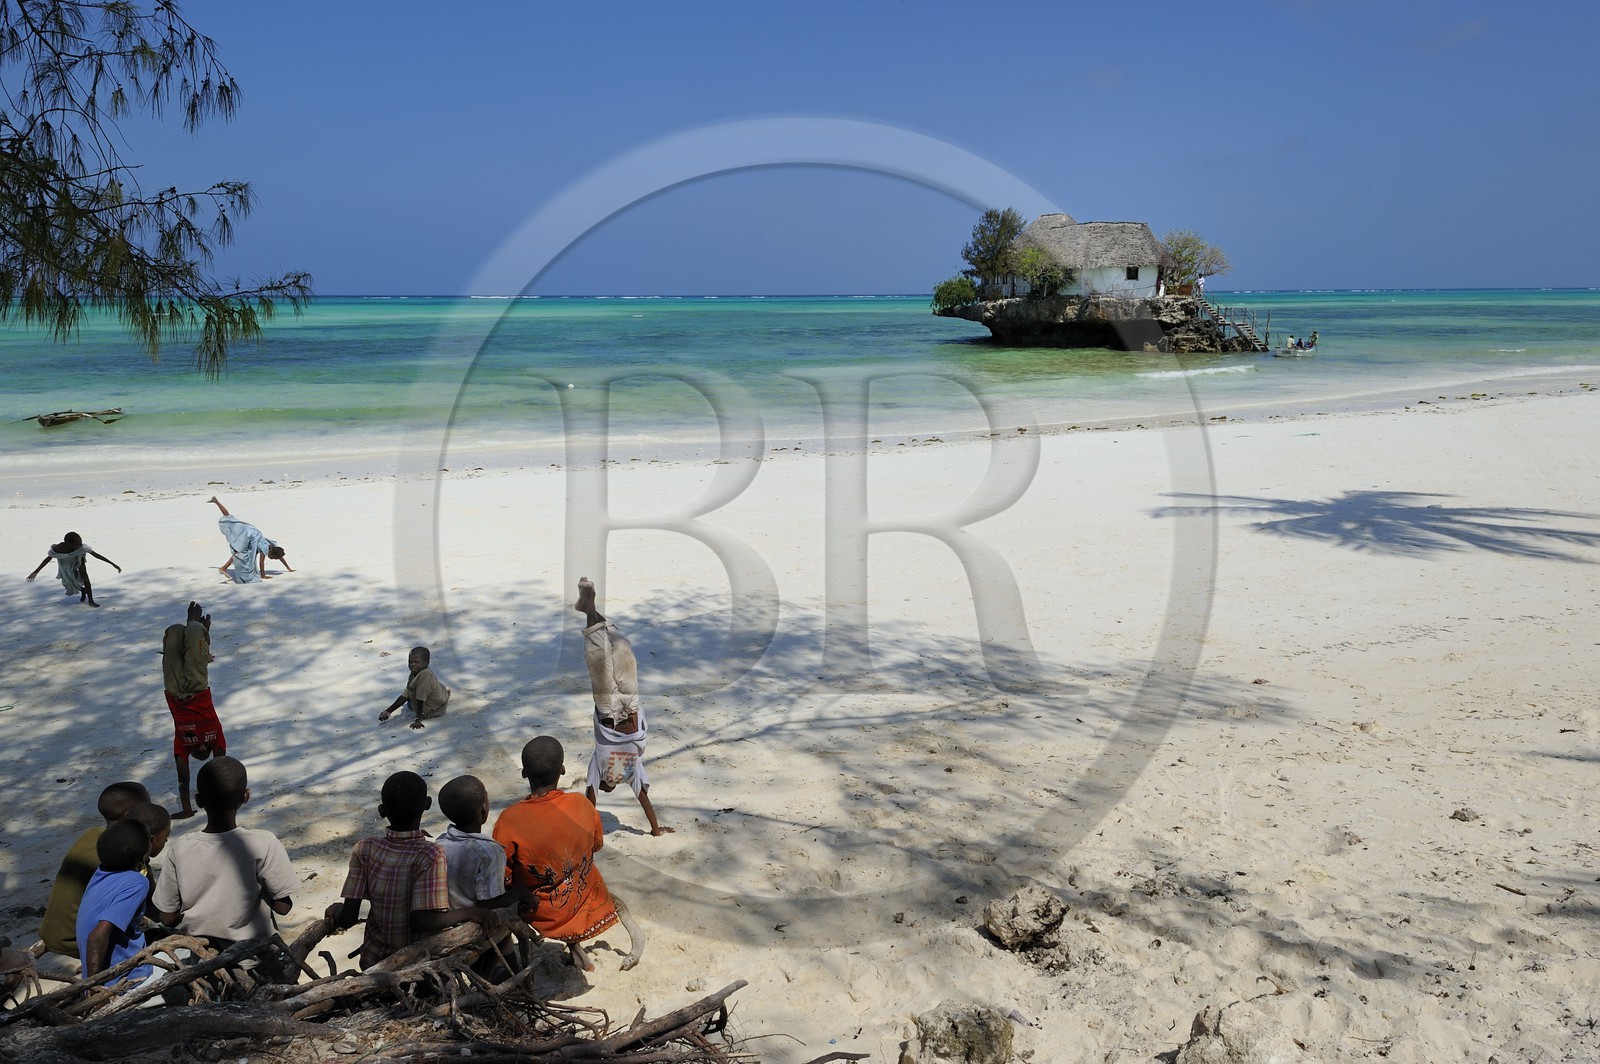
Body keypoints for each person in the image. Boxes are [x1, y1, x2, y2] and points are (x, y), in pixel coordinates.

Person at [494, 736, 643, 971]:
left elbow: (503, 875)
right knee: (577, 864)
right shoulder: (582, 804)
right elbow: (596, 845)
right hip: (585, 895)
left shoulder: (509, 820)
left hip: (542, 911)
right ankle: (576, 949)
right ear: (562, 770)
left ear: (524, 774)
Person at [326, 771, 500, 969]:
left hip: (373, 962)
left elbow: (348, 917)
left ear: (382, 811)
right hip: (418, 964)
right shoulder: (429, 854)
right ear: (427, 804)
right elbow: (421, 921)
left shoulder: (365, 848)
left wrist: (336, 911)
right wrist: (470, 912)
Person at [151, 757, 300, 949]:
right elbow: (283, 907)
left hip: (203, 957)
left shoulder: (180, 848)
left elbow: (167, 917)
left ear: (198, 800)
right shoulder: (263, 843)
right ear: (245, 796)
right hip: (255, 955)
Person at [574, 579, 671, 836]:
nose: (607, 785)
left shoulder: (615, 770)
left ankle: (589, 604)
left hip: (619, 708)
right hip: (621, 708)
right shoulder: (618, 771)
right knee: (611, 649)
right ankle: (588, 606)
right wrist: (655, 829)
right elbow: (640, 801)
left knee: (608, 651)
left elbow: (593, 802)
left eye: (606, 786)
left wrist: (655, 829)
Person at [38, 781, 150, 963]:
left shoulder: (92, 834)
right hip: (75, 941)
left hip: (51, 932)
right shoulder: (124, 854)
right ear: (129, 815)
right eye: (147, 807)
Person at [162, 602, 226, 819]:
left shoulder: (182, 743)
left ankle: (192, 627)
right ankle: (196, 625)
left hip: (173, 689)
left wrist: (187, 809)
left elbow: (183, 779)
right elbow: (221, 770)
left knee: (173, 633)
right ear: (207, 747)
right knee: (195, 633)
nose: (199, 747)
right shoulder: (215, 736)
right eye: (203, 749)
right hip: (197, 687)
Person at [77, 820, 155, 982]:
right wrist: (92, 988)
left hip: (95, 969)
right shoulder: (137, 882)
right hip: (126, 978)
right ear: (143, 853)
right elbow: (96, 937)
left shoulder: (101, 871)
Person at [435, 775, 522, 910]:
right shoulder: (490, 852)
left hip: (450, 917)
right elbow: (488, 903)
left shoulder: (439, 844)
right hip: (475, 922)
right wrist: (520, 893)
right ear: (483, 808)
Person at [208, 496, 292, 583]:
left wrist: (288, 568)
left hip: (251, 530)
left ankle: (216, 501)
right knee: (241, 553)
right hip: (248, 535)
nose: (271, 559)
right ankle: (224, 568)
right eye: (273, 558)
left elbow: (280, 557)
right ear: (272, 554)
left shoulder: (273, 545)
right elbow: (261, 563)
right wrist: (263, 575)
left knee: (230, 518)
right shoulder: (265, 550)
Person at [26, 531, 120, 607]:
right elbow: (48, 559)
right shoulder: (59, 549)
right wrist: (35, 572)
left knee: (85, 578)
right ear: (68, 544)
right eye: (77, 545)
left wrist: (113, 564)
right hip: (66, 562)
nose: (80, 546)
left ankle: (91, 600)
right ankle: (83, 591)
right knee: (70, 581)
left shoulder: (82, 548)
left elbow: (96, 555)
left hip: (79, 558)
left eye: (80, 543)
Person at [378, 647, 450, 730]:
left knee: (411, 703)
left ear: (427, 663)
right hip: (435, 694)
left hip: (436, 710)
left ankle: (445, 696)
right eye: (410, 662)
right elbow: (405, 694)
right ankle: (445, 693)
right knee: (410, 699)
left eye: (416, 662)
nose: (412, 665)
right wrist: (388, 711)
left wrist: (418, 719)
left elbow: (420, 700)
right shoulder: (415, 672)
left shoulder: (425, 675)